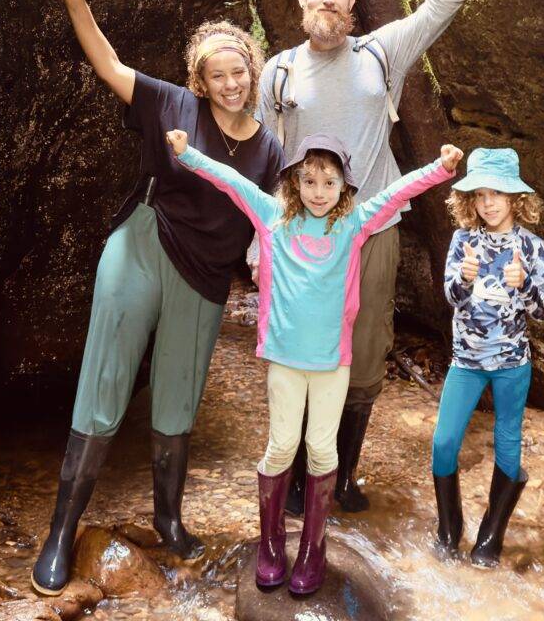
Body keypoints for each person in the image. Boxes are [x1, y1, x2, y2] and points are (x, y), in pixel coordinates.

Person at [31, 0, 284, 596]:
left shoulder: (268, 149)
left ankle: (168, 518)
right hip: (144, 243)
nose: (230, 83)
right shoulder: (171, 105)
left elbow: (270, 225)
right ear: (200, 80)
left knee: (177, 397)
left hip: (204, 277)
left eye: (239, 73)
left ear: (253, 74)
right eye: (217, 75)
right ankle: (62, 529)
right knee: (106, 379)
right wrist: (75, 1)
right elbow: (109, 64)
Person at [167, 128, 463, 595]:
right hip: (284, 358)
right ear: (293, 181)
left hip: (331, 362)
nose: (318, 193)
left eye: (328, 183)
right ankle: (269, 544)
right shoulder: (272, 215)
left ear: (344, 185)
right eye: (308, 181)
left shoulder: (354, 223)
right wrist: (188, 155)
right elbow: (229, 180)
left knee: (323, 449)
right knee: (281, 446)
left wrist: (441, 169)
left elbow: (397, 192)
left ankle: (312, 546)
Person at [257, 0, 466, 514]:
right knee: (300, 348)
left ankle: (341, 474)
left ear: (352, 5)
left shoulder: (381, 53)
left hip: (372, 228)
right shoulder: (276, 74)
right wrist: (256, 247)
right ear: (301, 2)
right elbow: (270, 164)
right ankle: (294, 476)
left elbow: (443, 4)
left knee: (367, 349)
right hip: (299, 236)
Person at [431, 147, 544, 567]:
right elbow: (450, 297)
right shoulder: (462, 240)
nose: (488, 203)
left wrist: (522, 287)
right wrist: (464, 280)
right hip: (465, 360)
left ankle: (490, 536)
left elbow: (543, 310)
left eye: (497, 194)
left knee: (508, 449)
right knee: (444, 443)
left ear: (515, 198)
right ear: (470, 200)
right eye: (480, 195)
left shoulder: (533, 247)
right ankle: (449, 529)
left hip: (512, 364)